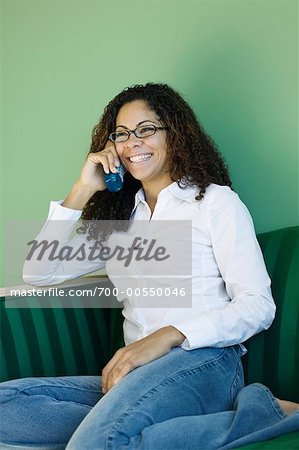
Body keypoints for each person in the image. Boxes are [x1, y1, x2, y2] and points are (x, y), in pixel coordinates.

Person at [0, 83, 298, 450]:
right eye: (122, 134)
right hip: (135, 377)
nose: (132, 143)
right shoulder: (121, 220)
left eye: (146, 129)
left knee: (98, 441)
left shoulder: (215, 202)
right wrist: (81, 188)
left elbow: (258, 304)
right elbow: (39, 272)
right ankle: (239, 417)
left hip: (204, 362)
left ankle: (258, 411)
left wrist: (168, 335)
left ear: (175, 133)